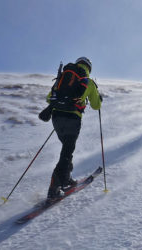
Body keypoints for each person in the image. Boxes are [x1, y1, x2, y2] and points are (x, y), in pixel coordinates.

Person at [46, 57, 102, 200]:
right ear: (89, 68)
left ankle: (66, 178)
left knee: (67, 149)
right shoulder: (88, 82)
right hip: (72, 118)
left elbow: (49, 98)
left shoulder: (63, 77)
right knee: (67, 150)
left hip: (56, 118)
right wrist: (98, 98)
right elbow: (96, 105)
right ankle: (55, 186)